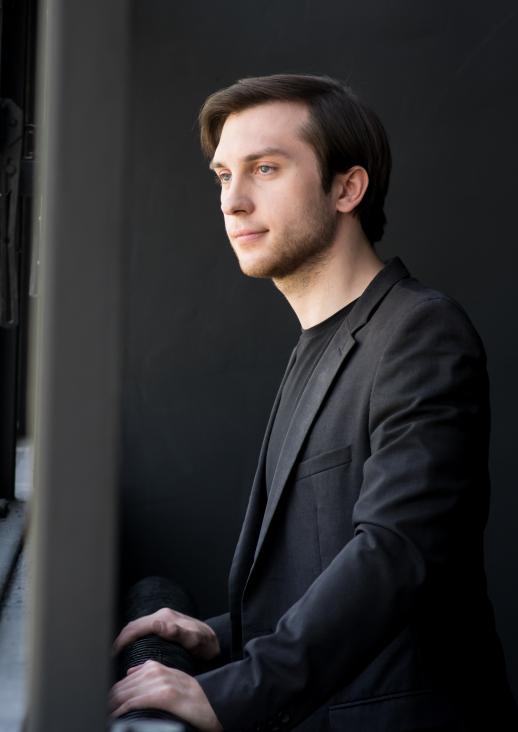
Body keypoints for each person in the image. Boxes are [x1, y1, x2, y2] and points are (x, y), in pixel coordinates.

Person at [109, 74, 518, 731]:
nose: (232, 202)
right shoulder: (316, 346)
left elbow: (396, 553)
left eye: (265, 168)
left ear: (347, 188)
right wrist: (224, 637)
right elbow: (319, 571)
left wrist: (239, 688)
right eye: (222, 175)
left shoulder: (420, 332)